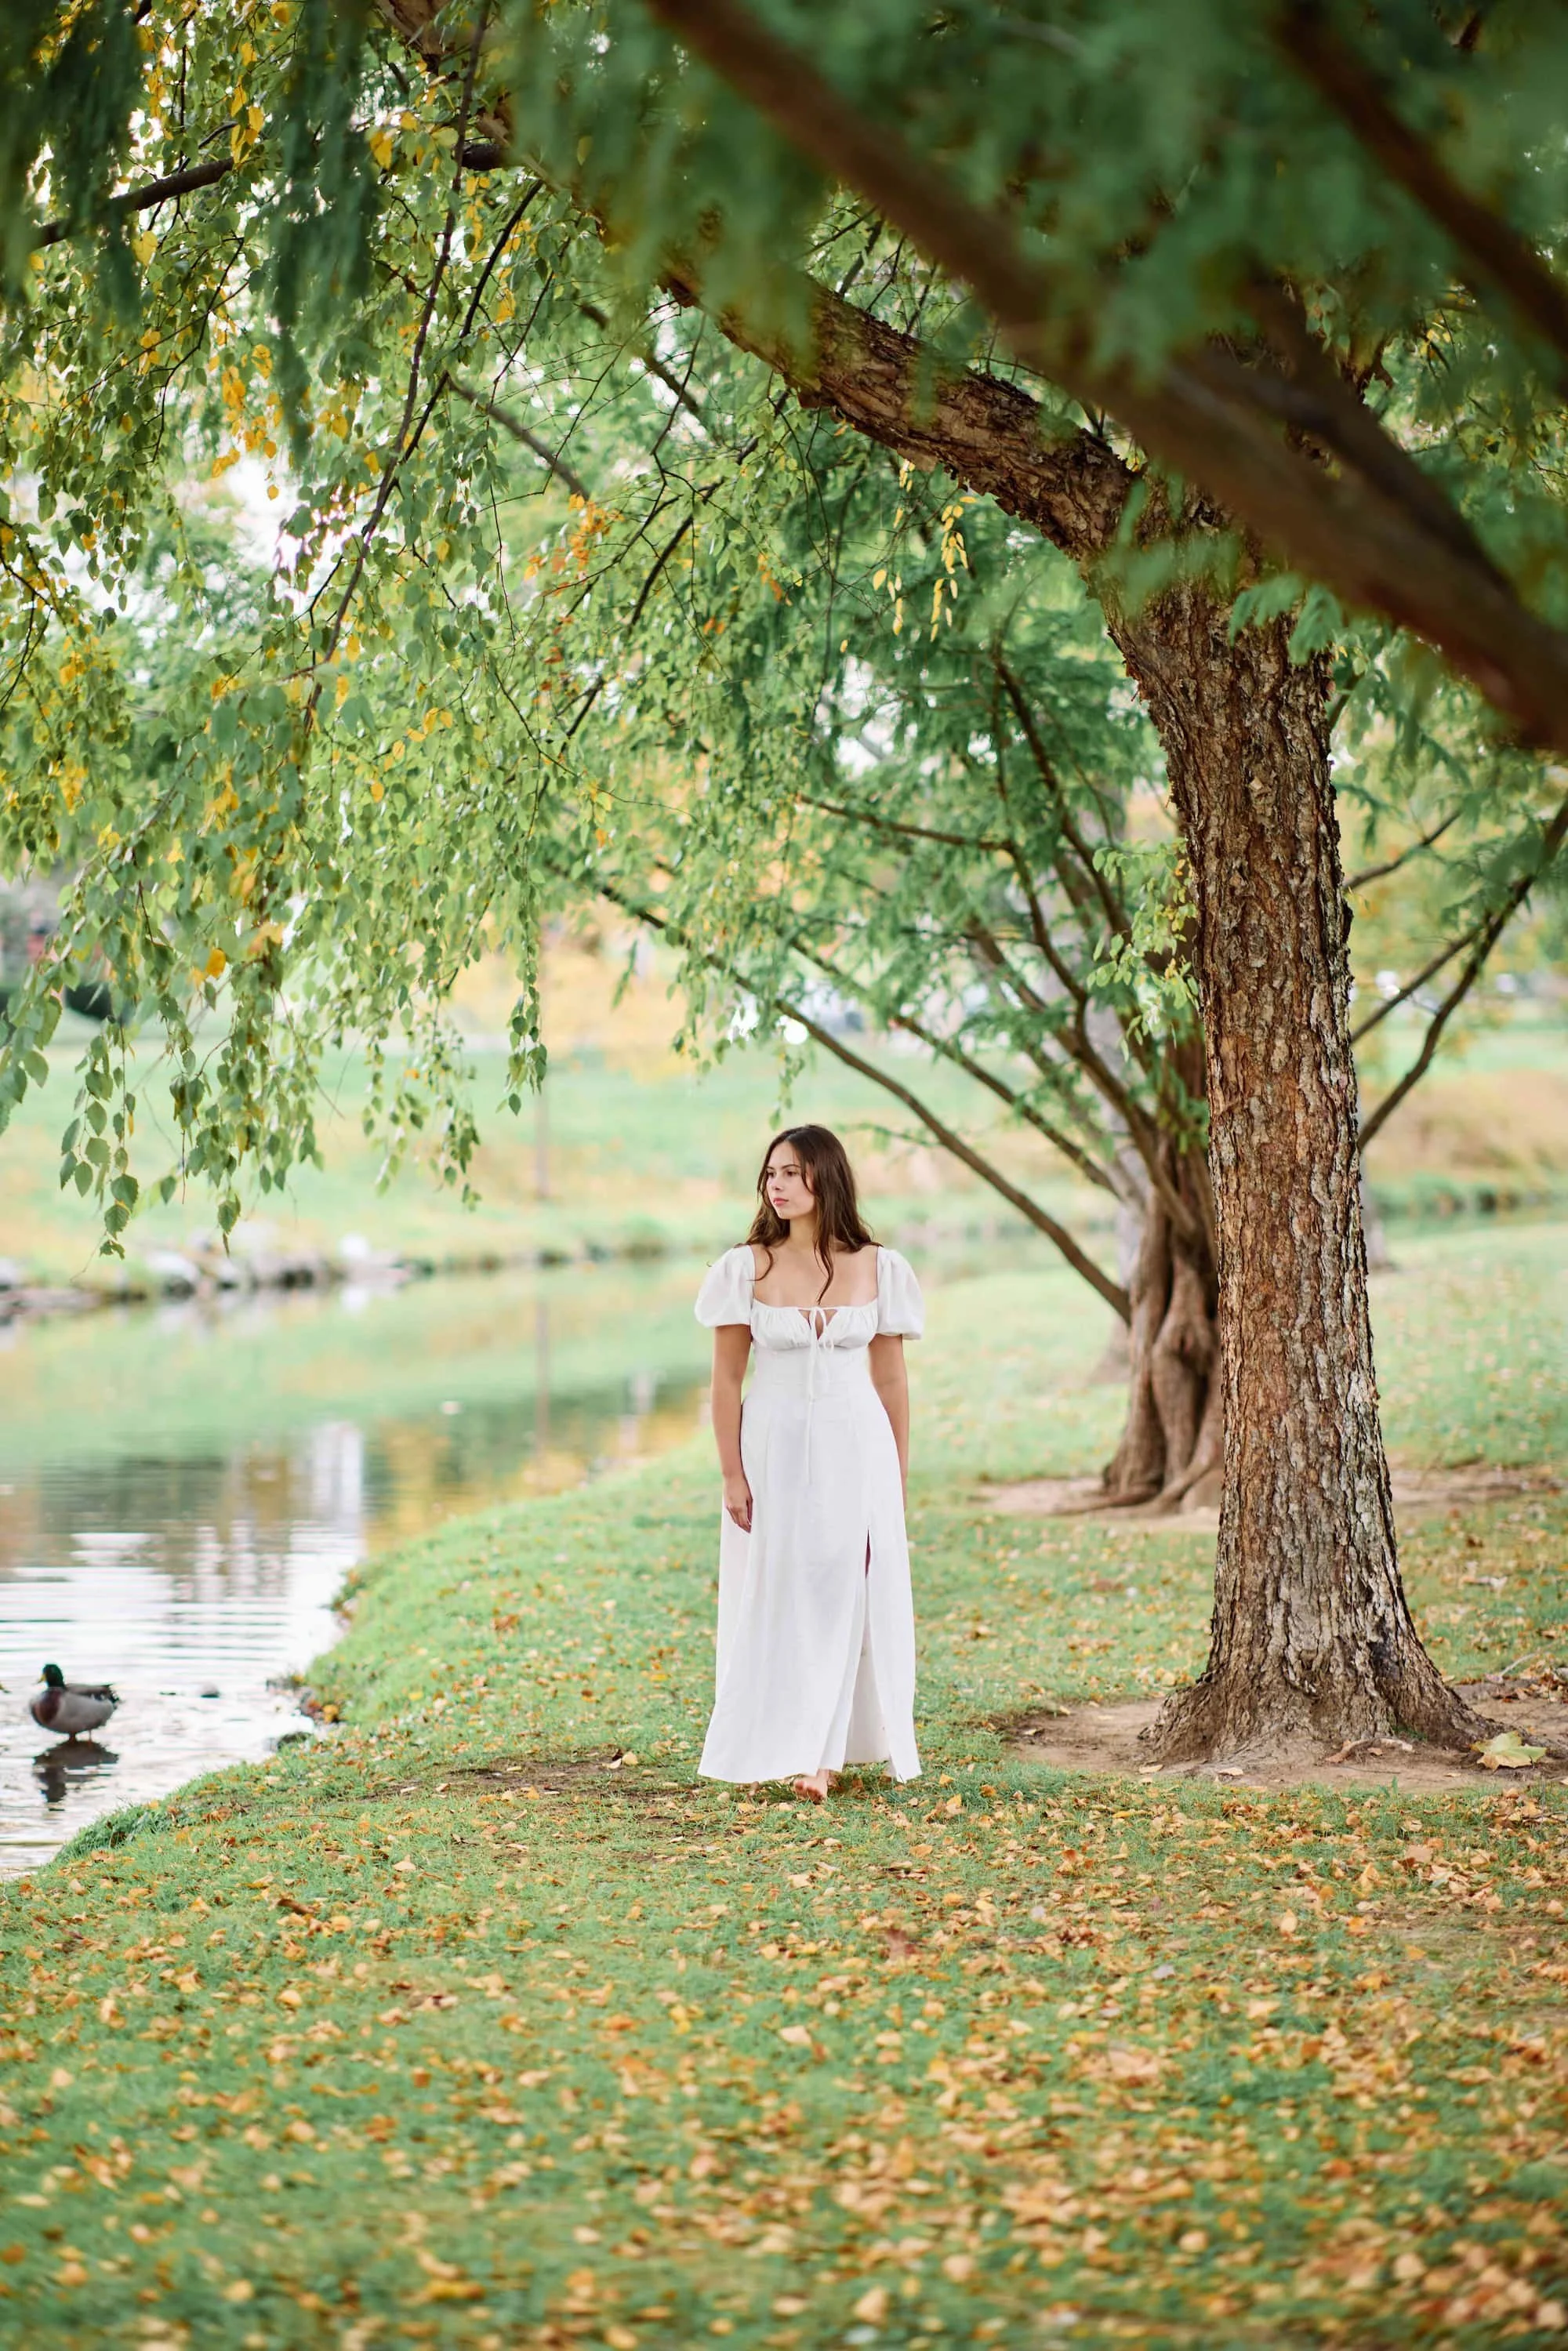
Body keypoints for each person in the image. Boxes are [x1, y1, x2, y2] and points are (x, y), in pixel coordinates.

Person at [694, 1123, 924, 1800]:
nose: (779, 1185)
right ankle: (784, 1738)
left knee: (844, 1589)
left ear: (826, 1176)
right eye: (771, 1174)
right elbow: (725, 1382)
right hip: (774, 1448)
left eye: (792, 1172)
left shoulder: (881, 1267)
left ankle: (822, 1758)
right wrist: (732, 1473)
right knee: (783, 1589)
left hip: (857, 1449)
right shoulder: (745, 1268)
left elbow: (892, 1383)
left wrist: (898, 1477)